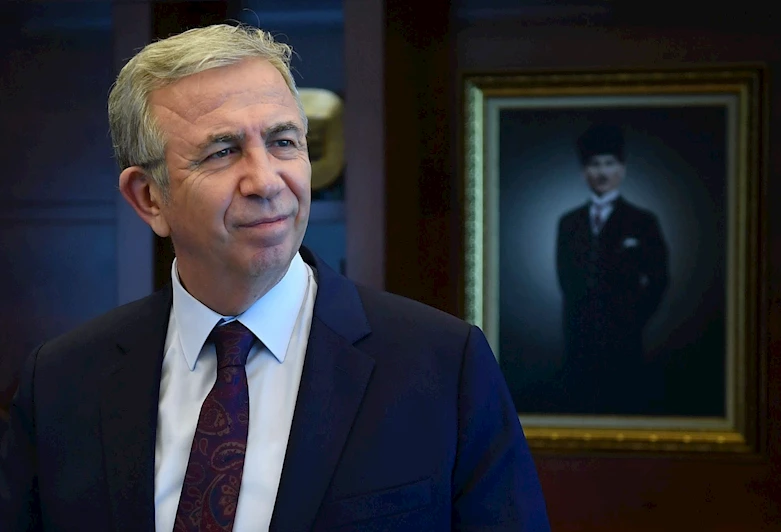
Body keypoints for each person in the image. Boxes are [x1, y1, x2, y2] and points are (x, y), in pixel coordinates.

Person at [0, 24, 550, 531]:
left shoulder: (444, 366)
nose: (265, 181)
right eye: (223, 152)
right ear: (149, 198)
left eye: (284, 142)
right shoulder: (61, 382)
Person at [555, 123, 669, 414]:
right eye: (594, 164)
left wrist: (633, 318)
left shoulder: (642, 221)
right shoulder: (569, 223)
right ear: (584, 171)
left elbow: (659, 279)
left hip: (625, 340)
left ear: (622, 169)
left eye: (609, 163)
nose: (602, 172)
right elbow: (565, 279)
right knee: (579, 409)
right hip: (578, 340)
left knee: (623, 406)